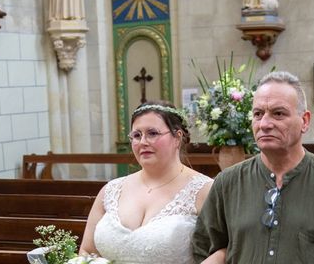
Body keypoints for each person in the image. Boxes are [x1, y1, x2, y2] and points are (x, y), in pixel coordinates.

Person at [192, 71, 314, 264]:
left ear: (305, 121)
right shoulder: (228, 182)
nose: (265, 124)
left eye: (278, 113)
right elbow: (203, 248)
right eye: (258, 114)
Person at [78, 101, 225, 264]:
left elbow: (224, 250)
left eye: (153, 133)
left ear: (177, 138)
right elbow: (87, 251)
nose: (143, 142)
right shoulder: (110, 190)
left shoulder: (204, 190)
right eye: (136, 135)